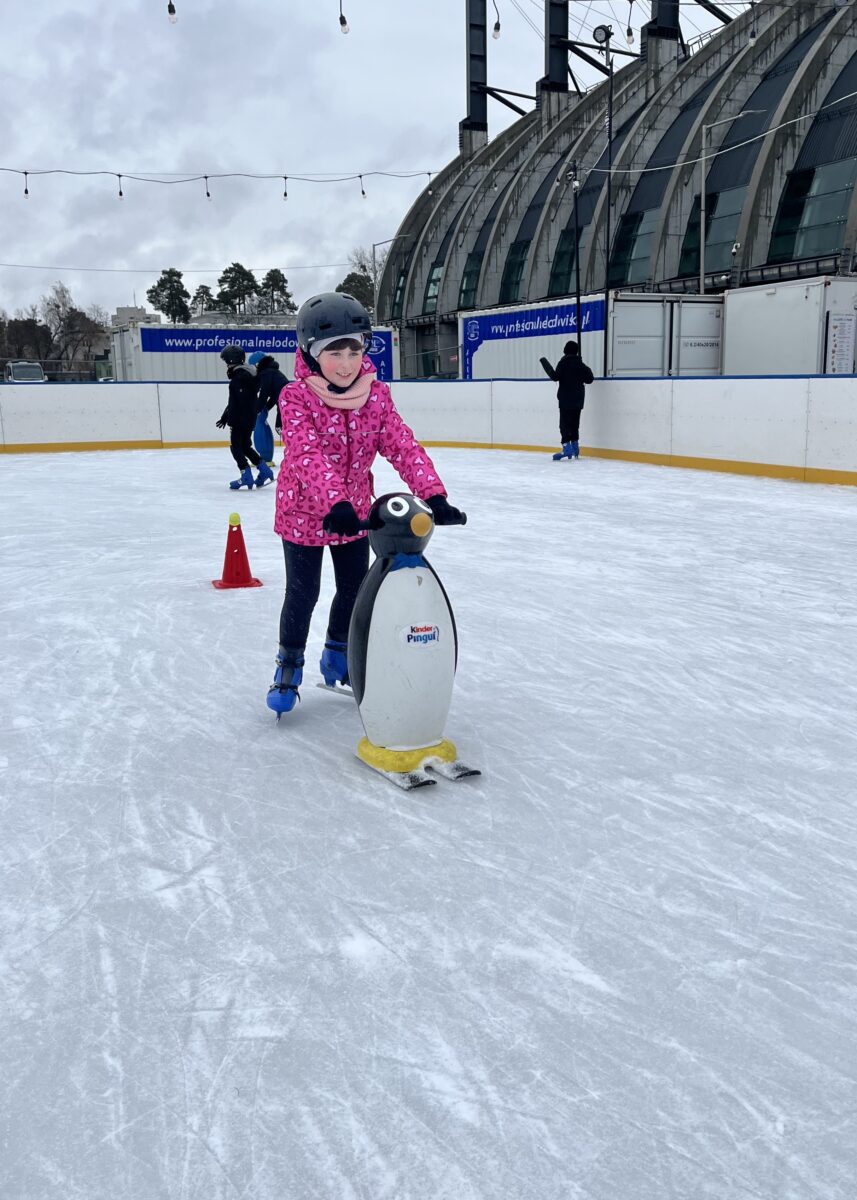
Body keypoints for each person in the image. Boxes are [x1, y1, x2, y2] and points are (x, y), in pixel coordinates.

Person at [267, 291, 464, 716]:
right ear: (311, 353)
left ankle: (338, 653)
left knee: (354, 589)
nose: (345, 363)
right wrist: (332, 501)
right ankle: (289, 664)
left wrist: (434, 493)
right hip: (304, 511)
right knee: (304, 592)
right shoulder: (296, 397)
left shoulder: (376, 395)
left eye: (354, 349)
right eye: (333, 351)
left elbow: (401, 443)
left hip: (353, 512)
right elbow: (304, 454)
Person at [215, 344, 274, 489]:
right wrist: (225, 416)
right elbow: (235, 401)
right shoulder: (245, 375)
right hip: (248, 418)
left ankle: (246, 475)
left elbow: (240, 402)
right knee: (245, 447)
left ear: (230, 361)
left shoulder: (240, 378)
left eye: (226, 361)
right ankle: (265, 470)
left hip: (241, 419)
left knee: (236, 447)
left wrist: (233, 419)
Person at [540, 340, 594, 461]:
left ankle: (567, 448)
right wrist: (583, 365)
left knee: (564, 425)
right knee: (575, 424)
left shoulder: (563, 363)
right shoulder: (581, 365)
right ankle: (575, 447)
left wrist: (544, 362)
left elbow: (555, 377)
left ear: (565, 350)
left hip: (565, 400)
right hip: (578, 400)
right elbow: (590, 378)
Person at [250, 351, 289, 446]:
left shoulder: (266, 373)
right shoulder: (271, 371)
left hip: (286, 403)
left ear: (258, 364)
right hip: (286, 401)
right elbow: (275, 395)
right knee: (281, 427)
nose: (253, 370)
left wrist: (256, 411)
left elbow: (264, 394)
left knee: (281, 427)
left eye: (253, 367)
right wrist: (266, 408)